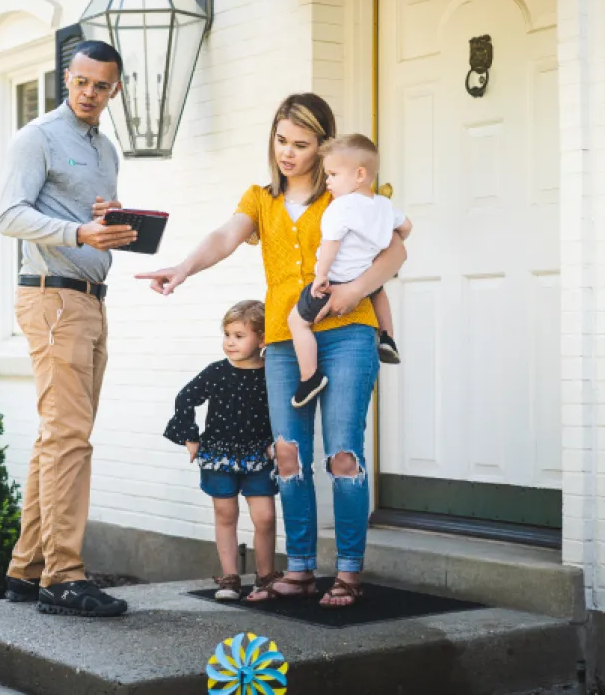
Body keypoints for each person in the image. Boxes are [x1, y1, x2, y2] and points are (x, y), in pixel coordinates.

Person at [138, 93, 407, 608]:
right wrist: (182, 268)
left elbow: (397, 248)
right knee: (287, 454)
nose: (288, 153)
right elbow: (225, 235)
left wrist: (352, 292)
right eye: (281, 141)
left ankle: (349, 571)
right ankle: (300, 568)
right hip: (285, 341)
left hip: (350, 332)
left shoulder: (345, 190)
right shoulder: (260, 200)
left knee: (344, 452)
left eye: (301, 144)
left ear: (323, 146)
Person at [0, 40, 139, 618]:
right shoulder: (36, 137)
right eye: (81, 82)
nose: (88, 93)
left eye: (101, 86)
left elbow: (84, 216)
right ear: (67, 77)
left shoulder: (105, 149)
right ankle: (64, 576)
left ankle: (27, 569)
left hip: (90, 301)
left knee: (58, 437)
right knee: (68, 438)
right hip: (52, 298)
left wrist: (108, 223)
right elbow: (10, 215)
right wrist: (80, 234)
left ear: (116, 89)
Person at [163, 300, 280, 601]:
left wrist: (276, 440)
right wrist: (189, 436)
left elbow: (285, 410)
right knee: (225, 513)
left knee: (265, 516)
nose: (230, 342)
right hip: (218, 454)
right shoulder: (216, 372)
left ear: (263, 338)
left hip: (258, 456)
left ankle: (266, 577)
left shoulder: (273, 374)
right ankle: (230, 578)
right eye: (227, 334)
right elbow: (185, 398)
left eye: (239, 336)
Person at [288, 134, 412, 408]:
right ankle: (388, 337)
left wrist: (321, 275)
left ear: (359, 174)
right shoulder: (383, 205)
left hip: (336, 280)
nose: (328, 181)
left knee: (297, 321)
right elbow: (406, 228)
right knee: (378, 291)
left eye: (332, 174)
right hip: (365, 274)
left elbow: (331, 244)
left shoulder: (340, 207)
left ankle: (310, 377)